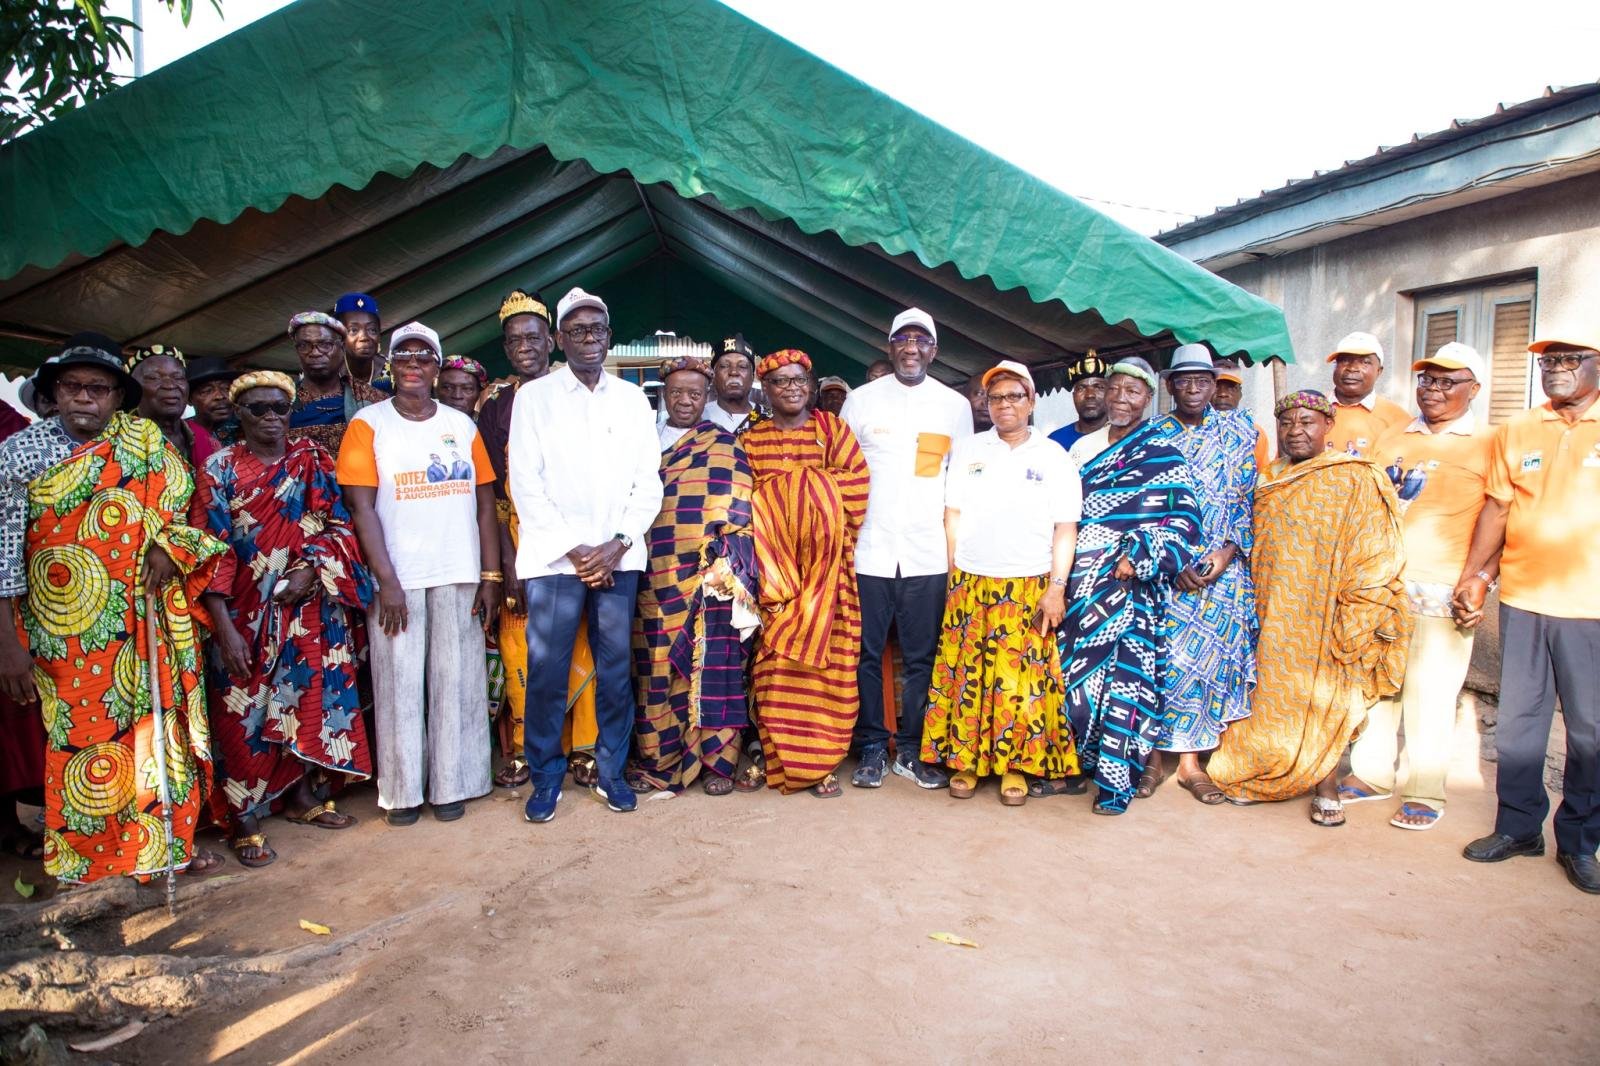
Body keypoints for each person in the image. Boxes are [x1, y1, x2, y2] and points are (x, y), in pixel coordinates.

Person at [0, 333, 227, 883]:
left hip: (143, 620)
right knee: (82, 749)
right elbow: (4, 553)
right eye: (73, 387)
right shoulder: (20, 454)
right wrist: (7, 646)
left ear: (115, 398)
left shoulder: (145, 443)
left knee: (154, 737)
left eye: (98, 389)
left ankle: (165, 848)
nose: (85, 398)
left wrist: (166, 548)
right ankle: (90, 862)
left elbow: (183, 512)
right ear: (54, 393)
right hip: (64, 635)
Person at [195, 371, 374, 867]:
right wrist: (223, 626)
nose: (272, 418)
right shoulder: (219, 470)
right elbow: (209, 551)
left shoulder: (311, 459)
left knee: (306, 697)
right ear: (239, 413)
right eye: (259, 409)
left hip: (309, 605)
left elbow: (340, 523)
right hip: (243, 613)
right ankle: (242, 819)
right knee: (242, 711)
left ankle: (298, 797)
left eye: (280, 408)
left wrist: (314, 567)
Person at [1208, 390, 1411, 827]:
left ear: (1328, 427)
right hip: (1268, 604)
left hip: (1326, 608)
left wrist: (1360, 605)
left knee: (1328, 696)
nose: (1296, 431)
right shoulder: (1267, 477)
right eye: (1287, 424)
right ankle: (1256, 771)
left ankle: (1327, 785)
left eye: (1307, 423)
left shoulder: (1355, 476)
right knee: (1264, 694)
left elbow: (1376, 545)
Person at [336, 321, 501, 826]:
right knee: (398, 684)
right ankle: (403, 791)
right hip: (398, 579)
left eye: (424, 356)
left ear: (436, 366)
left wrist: (490, 576)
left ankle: (454, 783)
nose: (413, 363)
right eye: (404, 355)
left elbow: (484, 503)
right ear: (391, 364)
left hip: (458, 571)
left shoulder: (461, 425)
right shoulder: (368, 424)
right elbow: (361, 509)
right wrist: (386, 581)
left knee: (457, 682)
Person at [508, 288, 663, 823]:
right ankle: (546, 776)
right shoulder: (535, 398)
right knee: (547, 668)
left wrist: (616, 544)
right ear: (558, 340)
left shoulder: (632, 399)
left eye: (597, 329)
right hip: (556, 561)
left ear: (609, 335)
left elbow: (650, 483)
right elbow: (525, 483)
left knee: (618, 669)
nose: (589, 338)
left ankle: (611, 772)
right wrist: (577, 550)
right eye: (577, 331)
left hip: (618, 558)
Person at [1454, 335, 1600, 893]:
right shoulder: (1519, 430)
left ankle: (1581, 842)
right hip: (1523, 599)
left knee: (1588, 731)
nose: (1556, 370)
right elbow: (1498, 508)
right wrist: (1476, 574)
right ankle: (1518, 828)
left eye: (1569, 361)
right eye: (1548, 362)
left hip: (1589, 609)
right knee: (1519, 724)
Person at [1332, 343, 1494, 831]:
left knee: (1432, 691)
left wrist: (1480, 578)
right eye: (1427, 380)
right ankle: (1373, 774)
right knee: (1381, 683)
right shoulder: (1395, 434)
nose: (1435, 390)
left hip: (1444, 587)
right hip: (1384, 583)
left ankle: (1425, 790)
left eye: (1448, 381)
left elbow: (1499, 514)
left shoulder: (1488, 442)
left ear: (1474, 389)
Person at [923, 361, 1080, 805]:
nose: (1005, 405)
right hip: (972, 582)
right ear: (985, 404)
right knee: (968, 675)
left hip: (1028, 584)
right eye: (996, 398)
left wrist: (1056, 587)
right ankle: (968, 763)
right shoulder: (970, 449)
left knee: (1021, 683)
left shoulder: (1053, 457)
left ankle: (1016, 767)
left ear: (1031, 402)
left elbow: (1065, 528)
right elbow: (952, 515)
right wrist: (954, 575)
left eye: (1014, 396)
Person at [1051, 357, 1201, 814]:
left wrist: (1141, 551)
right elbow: (1060, 512)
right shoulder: (1080, 449)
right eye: (1115, 389)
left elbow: (1186, 520)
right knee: (1076, 679)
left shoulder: (1163, 450)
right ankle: (1079, 767)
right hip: (1081, 583)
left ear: (1148, 399)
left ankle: (1117, 784)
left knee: (1125, 684)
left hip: (1132, 586)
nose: (1121, 398)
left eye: (1133, 392)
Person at [841, 307, 973, 790]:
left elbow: (958, 483)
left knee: (923, 656)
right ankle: (873, 746)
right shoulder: (860, 401)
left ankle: (914, 749)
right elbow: (842, 472)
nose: (912, 348)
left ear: (933, 350)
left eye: (921, 340)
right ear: (890, 347)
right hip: (869, 550)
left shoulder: (954, 406)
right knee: (866, 653)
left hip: (927, 551)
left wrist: (956, 555)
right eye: (903, 339)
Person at [480, 290, 602, 791]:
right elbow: (493, 490)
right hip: (521, 539)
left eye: (534, 337)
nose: (525, 347)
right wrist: (506, 563)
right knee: (525, 648)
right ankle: (534, 748)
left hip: (581, 537)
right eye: (515, 341)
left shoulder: (572, 388)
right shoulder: (496, 404)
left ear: (551, 339)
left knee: (585, 644)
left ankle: (586, 747)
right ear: (506, 348)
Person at [744, 349, 870, 796]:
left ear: (811, 386)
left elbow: (856, 485)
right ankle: (780, 757)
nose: (792, 387)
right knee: (776, 669)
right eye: (781, 381)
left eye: (799, 380)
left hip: (830, 579)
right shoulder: (752, 441)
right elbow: (745, 504)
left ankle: (822, 764)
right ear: (766, 390)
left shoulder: (832, 430)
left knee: (830, 671)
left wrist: (793, 491)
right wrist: (803, 490)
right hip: (777, 580)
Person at [630, 357, 758, 796]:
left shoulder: (723, 444)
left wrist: (725, 563)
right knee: (656, 668)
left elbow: (740, 508)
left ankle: (718, 764)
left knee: (716, 667)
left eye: (695, 393)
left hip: (710, 579)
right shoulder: (644, 444)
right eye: (677, 392)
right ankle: (661, 760)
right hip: (654, 577)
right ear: (664, 395)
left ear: (707, 398)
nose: (685, 400)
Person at [1146, 344, 1259, 803]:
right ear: (1170, 385)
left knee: (1204, 666)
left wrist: (1225, 555)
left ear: (1216, 385)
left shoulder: (1238, 432)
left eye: (1203, 380)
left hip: (1221, 571)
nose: (1193, 388)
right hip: (1165, 571)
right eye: (1184, 380)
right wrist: (1170, 561)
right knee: (1158, 661)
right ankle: (1151, 761)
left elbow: (1248, 501)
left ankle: (1192, 765)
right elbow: (1145, 505)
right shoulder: (1153, 435)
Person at [288, 311, 383, 453]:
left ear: (342, 347)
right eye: (304, 345)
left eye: (325, 344)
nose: (315, 352)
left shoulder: (373, 400)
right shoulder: (282, 404)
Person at [127, 345, 220, 472]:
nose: (170, 385)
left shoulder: (203, 437)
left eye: (178, 377)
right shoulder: (117, 440)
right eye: (154, 378)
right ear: (133, 388)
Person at [1327, 331, 1410, 457]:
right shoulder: (1311, 409)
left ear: (1379, 371)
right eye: (1344, 360)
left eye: (1365, 362)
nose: (1352, 368)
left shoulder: (1398, 419)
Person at [1213, 358, 1272, 471]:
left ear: (1240, 393)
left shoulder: (1255, 433)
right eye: (1216, 387)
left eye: (1231, 388)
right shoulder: (1194, 428)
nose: (1223, 394)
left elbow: (1263, 475)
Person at [1047, 350, 1110, 455]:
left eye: (1099, 387)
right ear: (1073, 396)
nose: (1090, 394)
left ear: (1110, 394)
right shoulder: (1055, 442)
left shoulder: (1123, 438)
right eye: (1081, 388)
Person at [704, 334, 767, 434]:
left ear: (752, 376)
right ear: (713, 375)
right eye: (724, 366)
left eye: (742, 366)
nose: (734, 372)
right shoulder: (700, 417)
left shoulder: (768, 419)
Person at [334, 291, 389, 393]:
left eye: (372, 330)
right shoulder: (331, 374)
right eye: (353, 330)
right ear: (339, 336)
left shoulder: (392, 372)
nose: (364, 337)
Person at [187, 356, 240, 446]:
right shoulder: (182, 432)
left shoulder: (248, 429)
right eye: (207, 390)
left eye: (226, 388)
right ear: (189, 399)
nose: (220, 396)